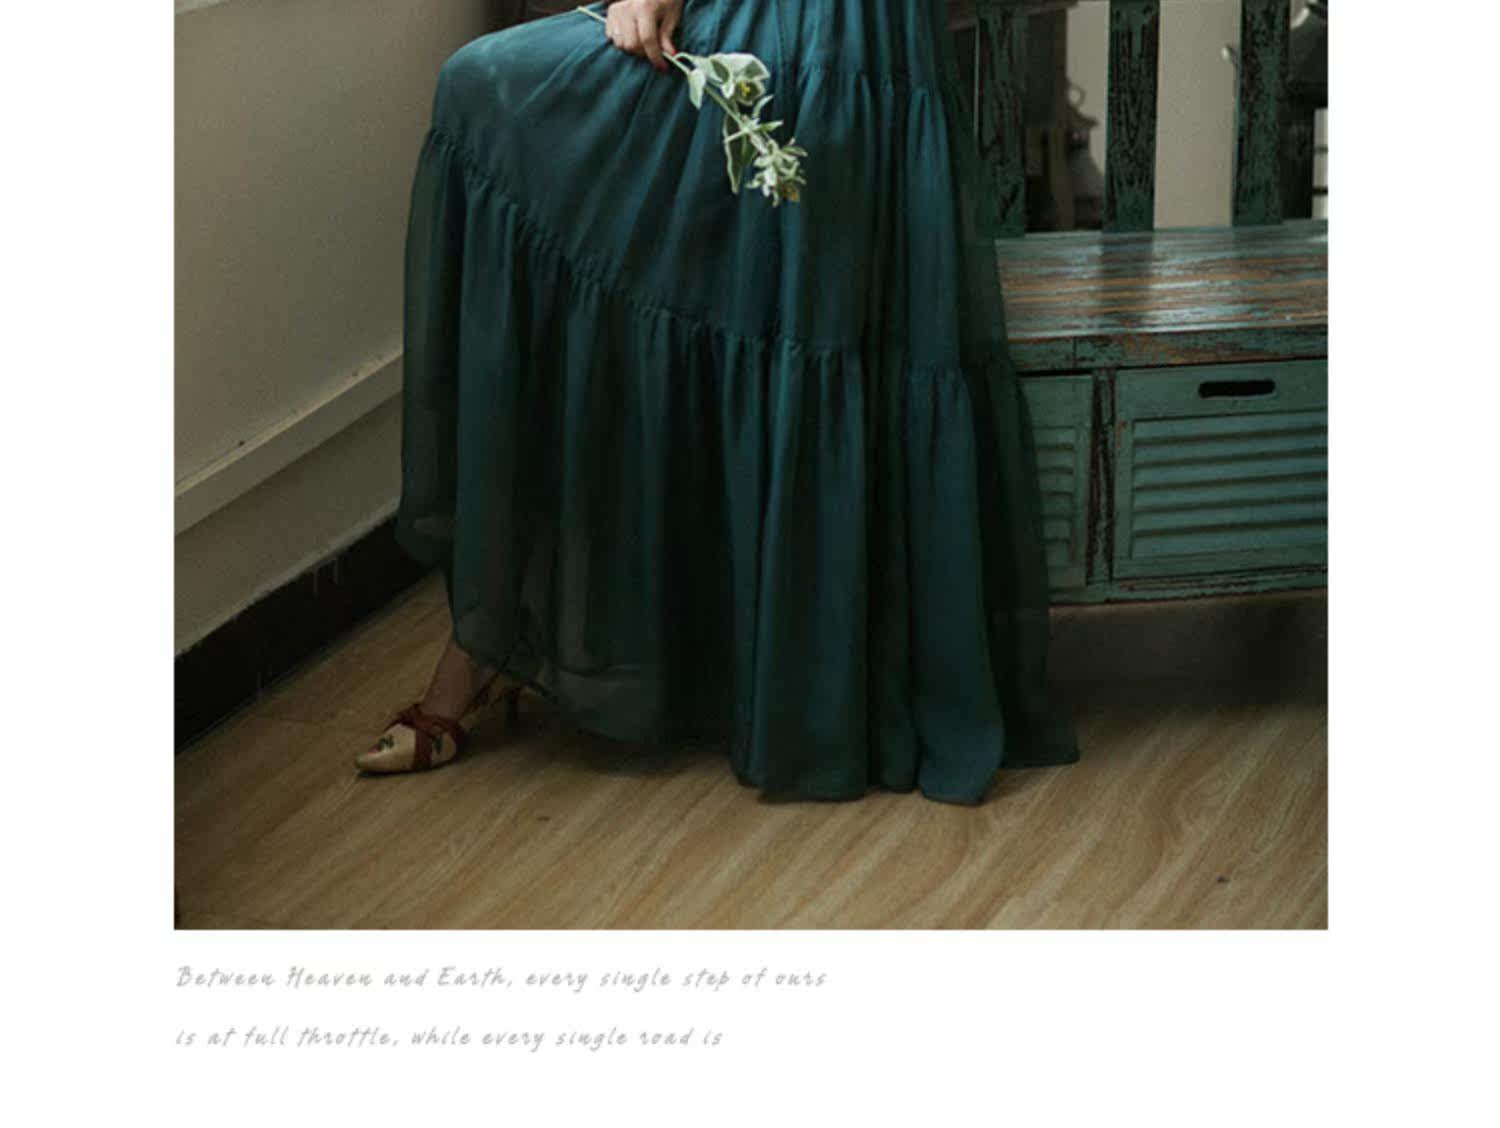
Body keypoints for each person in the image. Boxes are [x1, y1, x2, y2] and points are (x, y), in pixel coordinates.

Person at [354, 0, 1079, 802]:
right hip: (775, 29)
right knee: (489, 95)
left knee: (498, 98)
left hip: (839, 41)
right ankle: (501, 631)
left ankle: (502, 642)